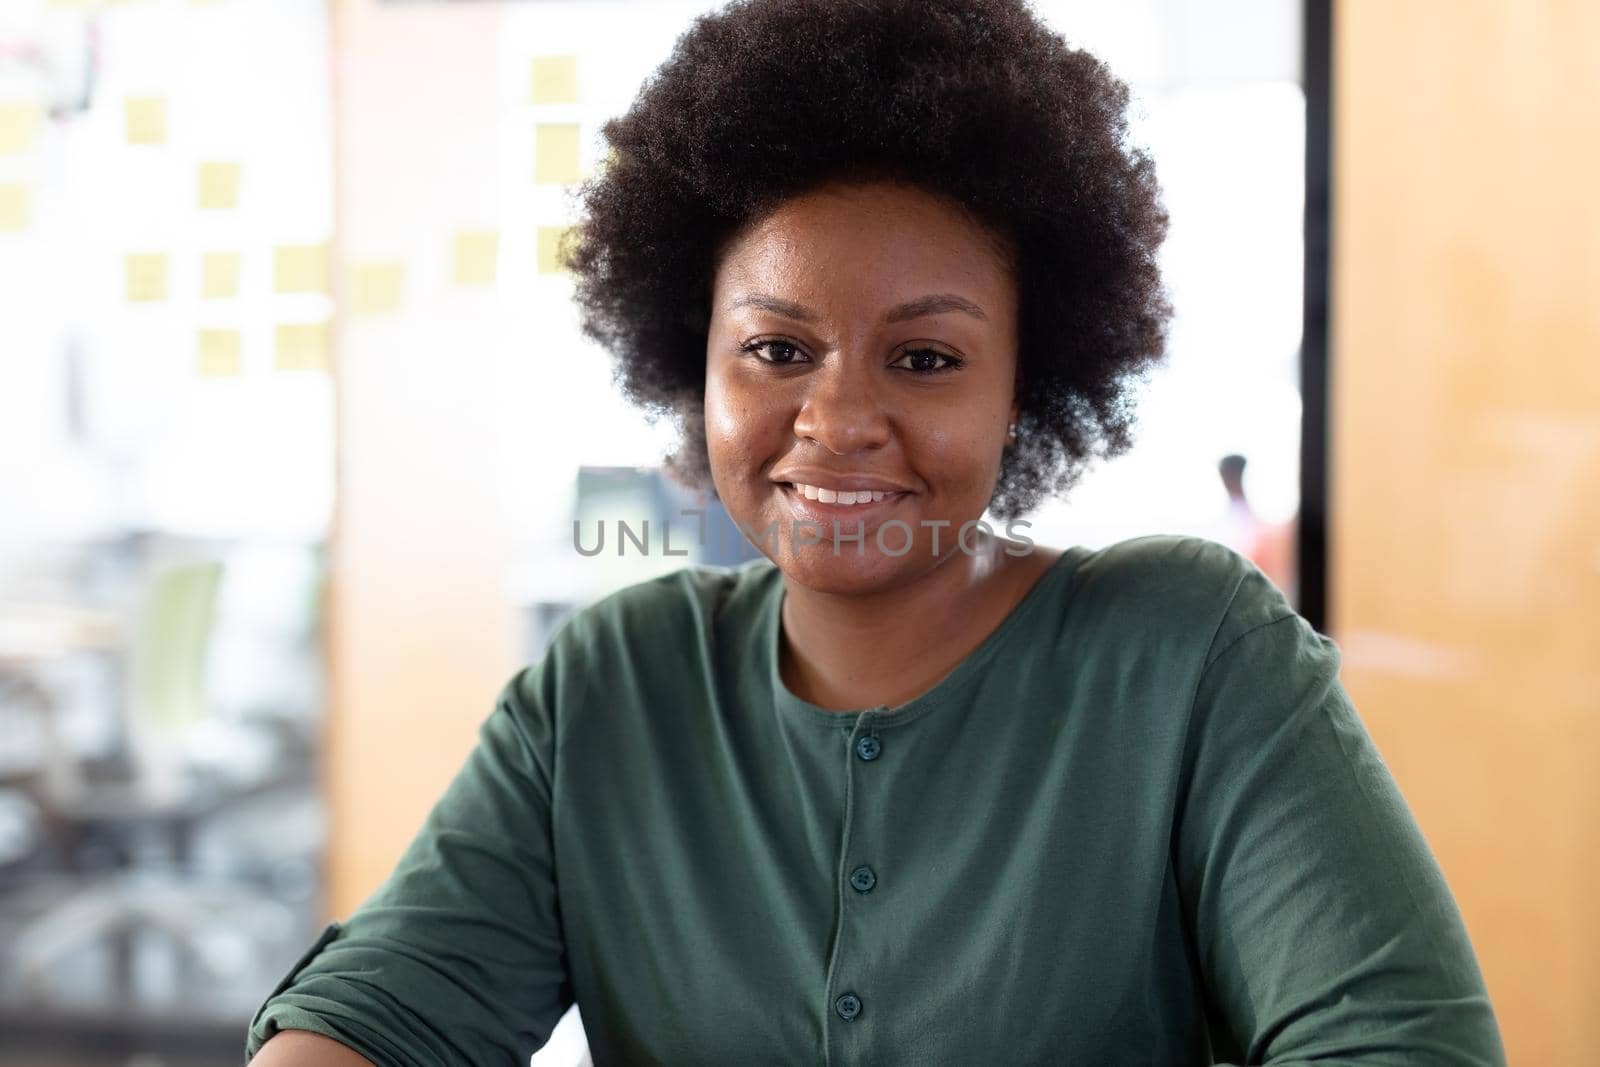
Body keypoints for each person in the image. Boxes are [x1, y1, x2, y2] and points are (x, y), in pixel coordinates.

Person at [245, 1, 1505, 1063]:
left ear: (1024, 384)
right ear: (697, 365)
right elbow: (374, 1013)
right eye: (777, 349)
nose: (838, 420)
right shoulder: (611, 687)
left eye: (925, 356)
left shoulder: (1187, 655)